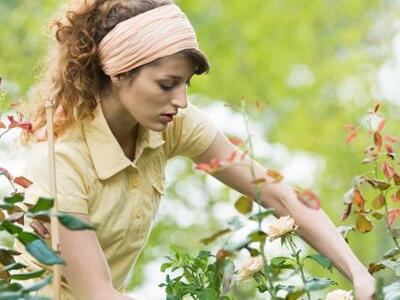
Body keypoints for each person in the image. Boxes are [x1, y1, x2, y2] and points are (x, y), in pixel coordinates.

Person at [14, 0, 375, 299]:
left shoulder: (170, 122)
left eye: (185, 84)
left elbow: (277, 196)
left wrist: (358, 274)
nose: (182, 101)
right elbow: (98, 293)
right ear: (119, 72)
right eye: (167, 84)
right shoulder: (63, 159)